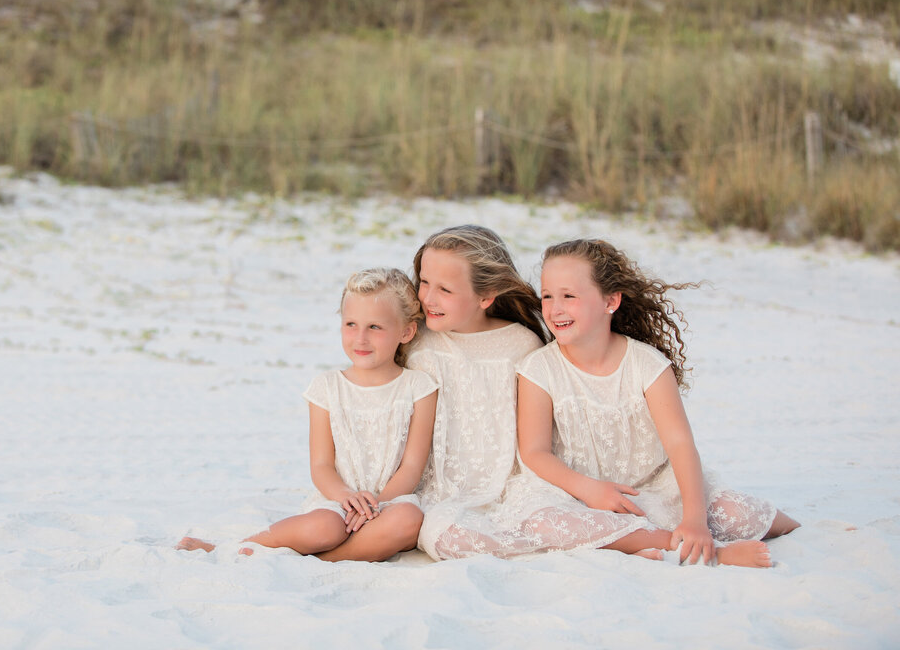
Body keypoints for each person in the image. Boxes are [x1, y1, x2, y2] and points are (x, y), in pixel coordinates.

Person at [517, 238, 801, 568]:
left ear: (611, 300)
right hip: (578, 494)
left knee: (735, 514)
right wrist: (591, 490)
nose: (554, 308)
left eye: (569, 296)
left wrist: (694, 520)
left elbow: (680, 444)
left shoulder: (646, 364)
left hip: (653, 490)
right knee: (546, 525)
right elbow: (534, 451)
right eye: (548, 296)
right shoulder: (538, 368)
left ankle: (654, 540)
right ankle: (700, 549)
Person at [410, 225, 673, 561]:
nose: (427, 298)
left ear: (486, 296)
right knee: (449, 540)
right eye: (424, 282)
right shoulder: (414, 340)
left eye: (444, 289)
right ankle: (614, 542)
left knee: (540, 522)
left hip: (517, 485)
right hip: (443, 491)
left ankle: (628, 541)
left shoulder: (522, 345)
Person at [177, 267, 438, 561]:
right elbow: (321, 465)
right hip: (339, 501)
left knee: (409, 520)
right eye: (351, 324)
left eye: (375, 327)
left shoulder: (418, 387)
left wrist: (374, 505)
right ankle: (234, 545)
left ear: (406, 331)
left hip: (389, 502)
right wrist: (347, 498)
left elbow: (412, 467)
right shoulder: (327, 387)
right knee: (324, 528)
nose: (360, 338)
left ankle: (318, 559)